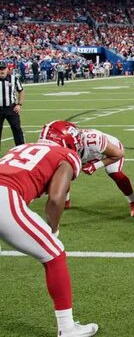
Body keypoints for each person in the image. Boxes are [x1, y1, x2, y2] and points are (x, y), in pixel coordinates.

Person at [0, 120, 98, 336]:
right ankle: (67, 328)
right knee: (54, 254)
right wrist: (52, 230)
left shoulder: (19, 147)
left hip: (5, 193)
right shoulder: (66, 155)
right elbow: (56, 198)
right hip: (4, 197)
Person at [63, 126, 134, 216]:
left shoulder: (94, 140)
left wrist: (95, 166)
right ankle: (65, 201)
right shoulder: (65, 142)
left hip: (108, 152)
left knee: (114, 172)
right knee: (65, 172)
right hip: (85, 153)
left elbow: (119, 154)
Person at [0, 61, 25, 151]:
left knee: (17, 129)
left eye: (3, 68)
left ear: (7, 69)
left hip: (11, 108)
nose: (1, 70)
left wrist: (19, 104)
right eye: (0, 69)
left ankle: (22, 150)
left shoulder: (13, 79)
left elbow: (21, 90)